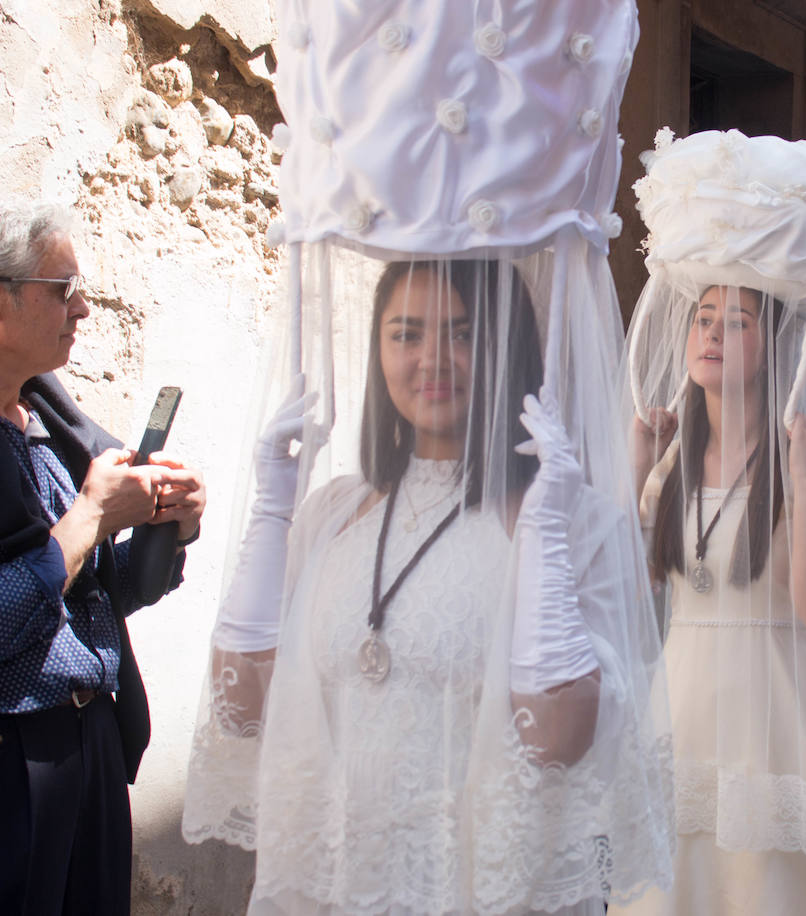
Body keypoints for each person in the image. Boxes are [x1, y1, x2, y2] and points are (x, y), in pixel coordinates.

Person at [182, 6, 674, 913]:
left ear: (510, 348)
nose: (431, 359)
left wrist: (545, 539)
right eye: (405, 333)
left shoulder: (575, 525)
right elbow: (246, 709)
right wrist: (270, 513)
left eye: (461, 332)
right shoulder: (334, 515)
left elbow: (563, 741)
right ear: (377, 353)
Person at [618, 129, 806, 915]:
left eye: (737, 321)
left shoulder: (804, 453)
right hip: (682, 703)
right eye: (703, 317)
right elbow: (634, 582)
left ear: (774, 340)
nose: (711, 334)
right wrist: (637, 463)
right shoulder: (671, 453)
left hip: (781, 712)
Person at [0, 202, 206, 914]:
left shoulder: (45, 427)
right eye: (63, 290)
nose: (82, 308)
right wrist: (90, 514)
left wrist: (166, 524)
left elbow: (98, 593)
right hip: (16, 756)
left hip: (93, 741)